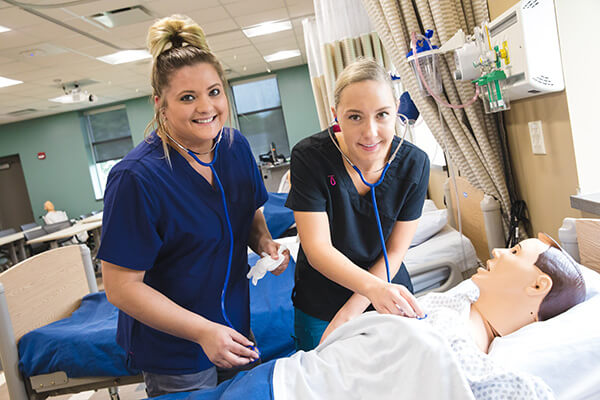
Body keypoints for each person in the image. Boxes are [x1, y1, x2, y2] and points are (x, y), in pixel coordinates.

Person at [98, 15, 290, 397]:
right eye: (188, 97)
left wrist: (264, 243)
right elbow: (120, 288)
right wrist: (203, 332)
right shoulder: (136, 178)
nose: (206, 107)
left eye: (214, 92)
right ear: (160, 104)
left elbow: (248, 214)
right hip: (175, 353)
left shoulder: (235, 148)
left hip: (234, 328)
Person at [273, 233, 587, 399]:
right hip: (295, 375)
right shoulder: (455, 301)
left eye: (516, 252)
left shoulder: (486, 371)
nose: (498, 252)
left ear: (537, 285)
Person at [285, 58, 430, 350]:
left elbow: (394, 251)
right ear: (335, 114)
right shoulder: (310, 157)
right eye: (354, 117)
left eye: (382, 115)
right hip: (322, 300)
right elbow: (318, 250)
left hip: (387, 292)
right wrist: (344, 312)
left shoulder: (415, 163)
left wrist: (352, 310)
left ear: (396, 111)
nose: (370, 132)